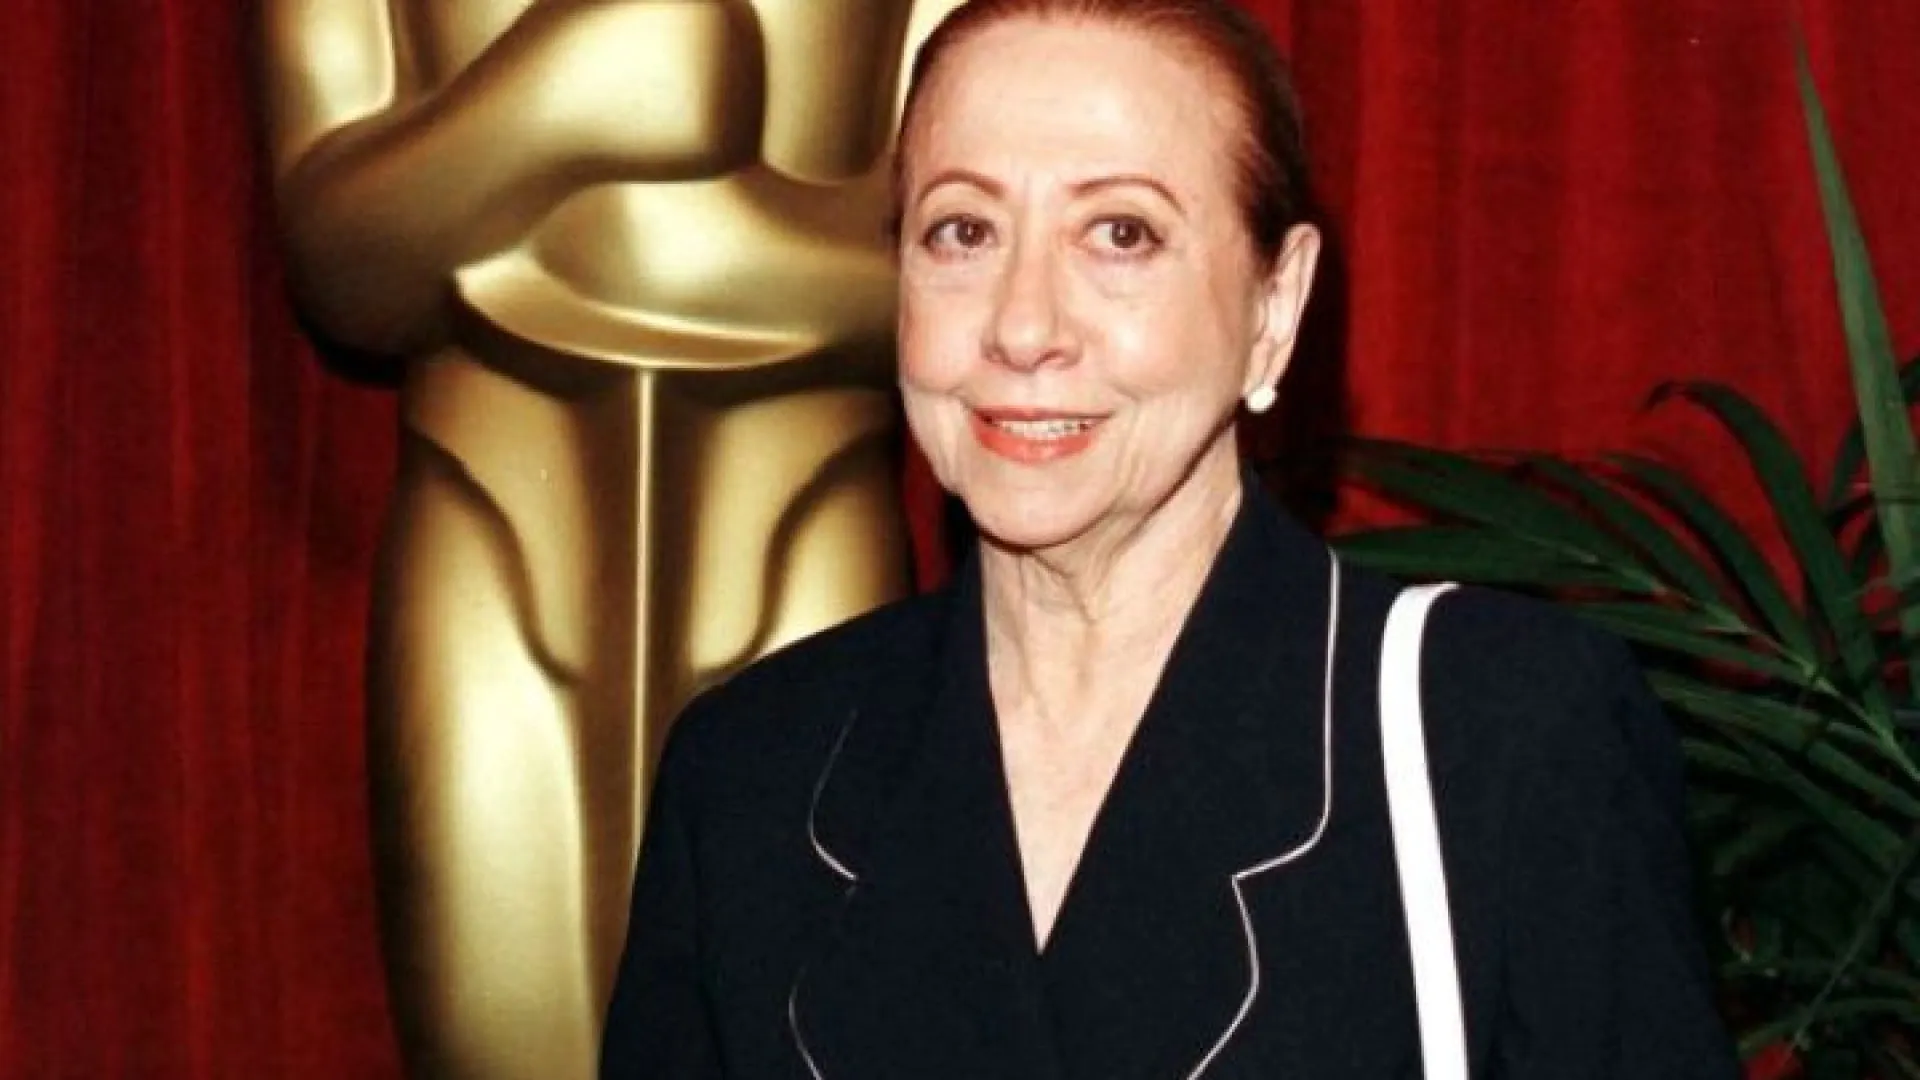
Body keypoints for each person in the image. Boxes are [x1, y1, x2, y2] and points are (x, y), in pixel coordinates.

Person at [600, 1, 1741, 1076]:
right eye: (964, 231)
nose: (1023, 326)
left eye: (1121, 233)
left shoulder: (1498, 735)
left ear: (1274, 307)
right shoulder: (751, 774)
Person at [258, 1, 960, 1075]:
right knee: (493, 1025)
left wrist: (684, 253)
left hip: (801, 517)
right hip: (490, 508)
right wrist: (550, 100)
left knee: (792, 1025)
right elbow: (341, 259)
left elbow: (971, 255)